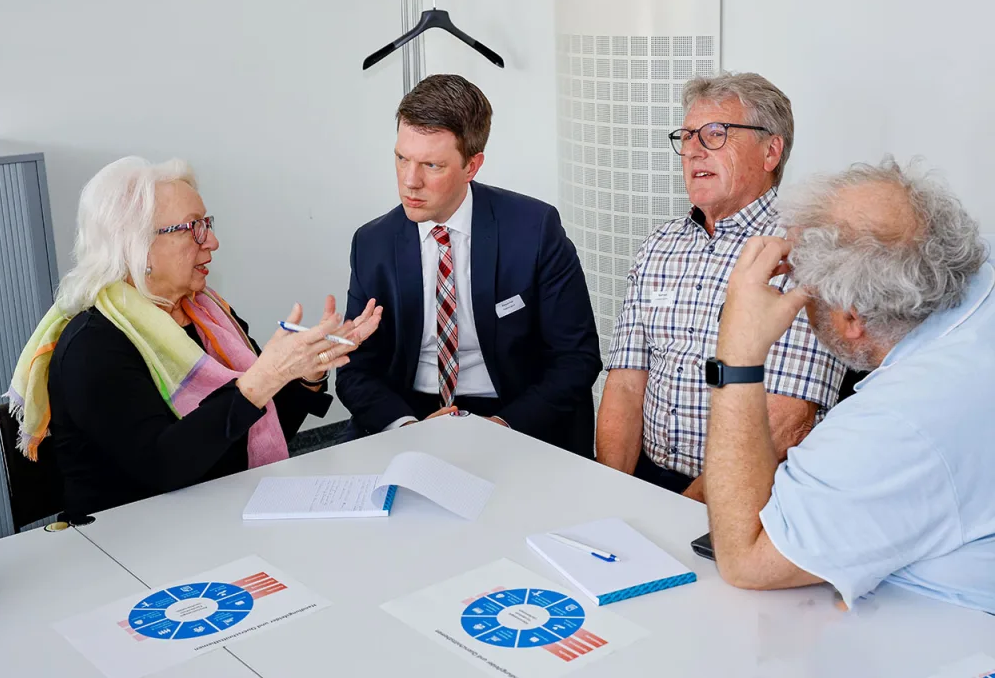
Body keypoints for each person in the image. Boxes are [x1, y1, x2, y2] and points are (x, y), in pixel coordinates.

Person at [7, 157, 381, 519]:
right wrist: (264, 378)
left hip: (218, 511)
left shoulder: (209, 316)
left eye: (208, 223)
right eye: (193, 228)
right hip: (132, 543)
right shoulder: (93, 345)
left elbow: (257, 429)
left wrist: (307, 370)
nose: (213, 241)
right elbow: (164, 467)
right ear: (137, 246)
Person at [704, 158, 995, 613]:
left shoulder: (895, 421)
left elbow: (746, 560)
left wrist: (737, 356)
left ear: (852, 317)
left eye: (801, 282)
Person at [596, 72, 845, 499]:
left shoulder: (804, 252)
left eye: (715, 134)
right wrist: (611, 493)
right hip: (647, 480)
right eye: (688, 136)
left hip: (751, 491)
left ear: (770, 151)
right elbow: (625, 384)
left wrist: (684, 510)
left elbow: (786, 420)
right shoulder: (660, 244)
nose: (692, 150)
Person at [335, 74, 602, 455]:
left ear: (472, 166)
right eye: (401, 158)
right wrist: (407, 427)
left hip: (511, 410)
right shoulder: (372, 242)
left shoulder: (534, 229)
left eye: (432, 165)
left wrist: (501, 427)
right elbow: (356, 369)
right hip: (410, 411)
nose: (410, 181)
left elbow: (577, 358)